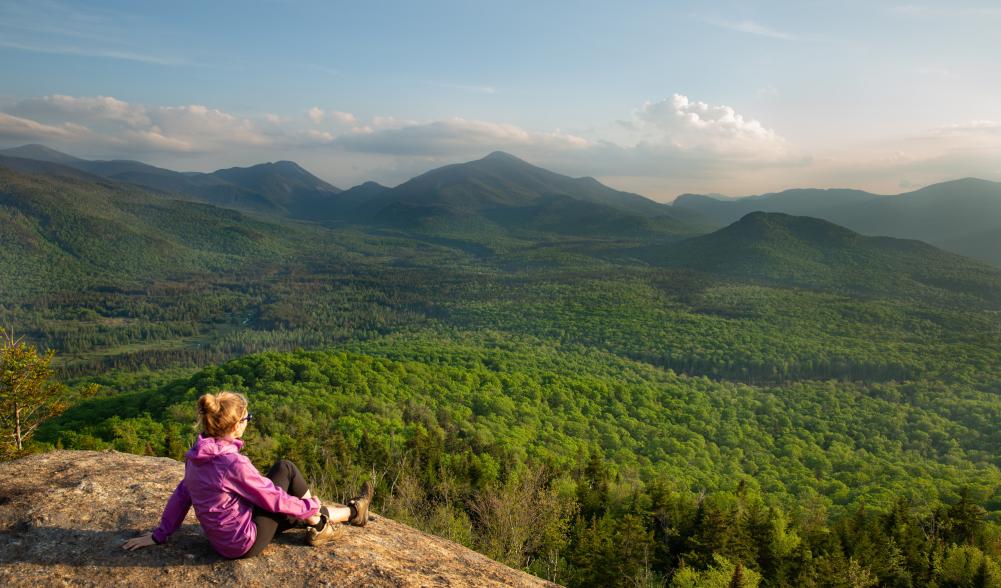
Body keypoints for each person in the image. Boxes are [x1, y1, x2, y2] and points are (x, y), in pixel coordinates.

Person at [122, 391, 373, 558]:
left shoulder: (196, 457)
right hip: (243, 542)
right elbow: (271, 499)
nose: (249, 421)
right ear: (235, 426)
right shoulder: (231, 463)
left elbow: (181, 497)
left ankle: (353, 512)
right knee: (286, 470)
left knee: (290, 504)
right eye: (247, 417)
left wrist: (159, 535)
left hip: (225, 537)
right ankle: (319, 525)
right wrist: (307, 505)